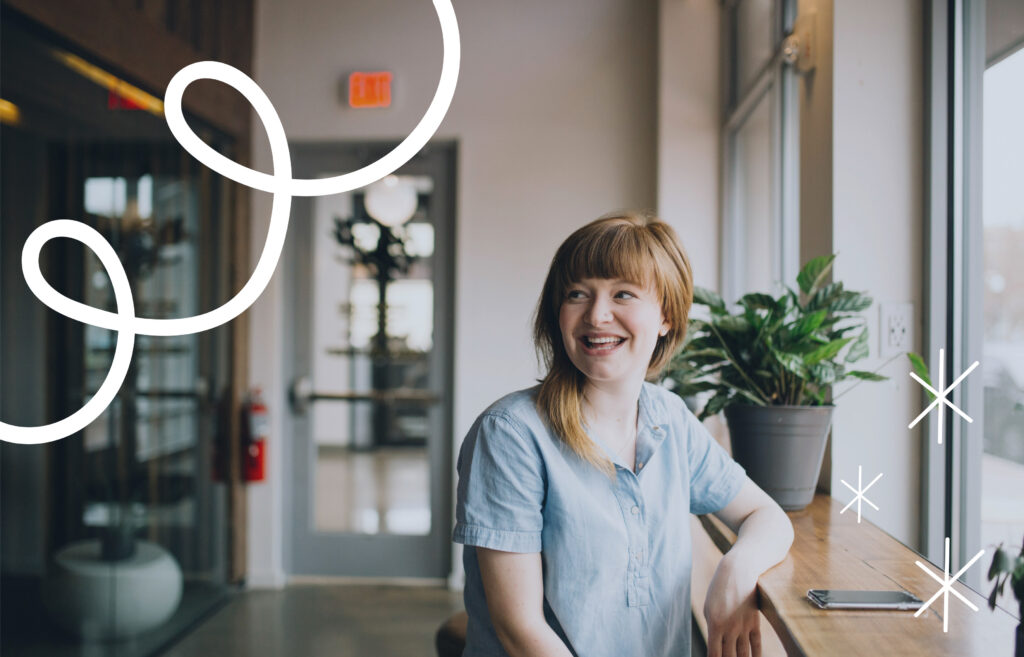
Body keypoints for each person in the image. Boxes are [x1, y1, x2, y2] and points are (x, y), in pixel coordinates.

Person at [453, 211, 794, 657]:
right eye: (577, 294)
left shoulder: (668, 417)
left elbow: (767, 517)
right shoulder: (510, 434)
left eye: (623, 294)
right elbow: (520, 631)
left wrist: (737, 570)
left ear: (666, 316)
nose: (597, 315)